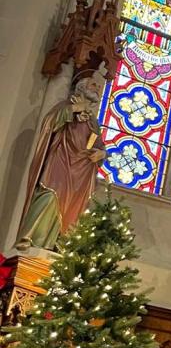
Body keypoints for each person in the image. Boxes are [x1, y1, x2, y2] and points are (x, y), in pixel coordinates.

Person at [16, 72, 107, 251]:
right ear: (81, 87)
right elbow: (49, 124)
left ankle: (56, 245)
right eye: (93, 84)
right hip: (61, 161)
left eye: (98, 86)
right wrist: (73, 109)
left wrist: (101, 154)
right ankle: (30, 238)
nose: (97, 88)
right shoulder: (66, 106)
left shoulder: (93, 122)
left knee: (73, 206)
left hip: (81, 172)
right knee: (49, 195)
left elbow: (99, 144)